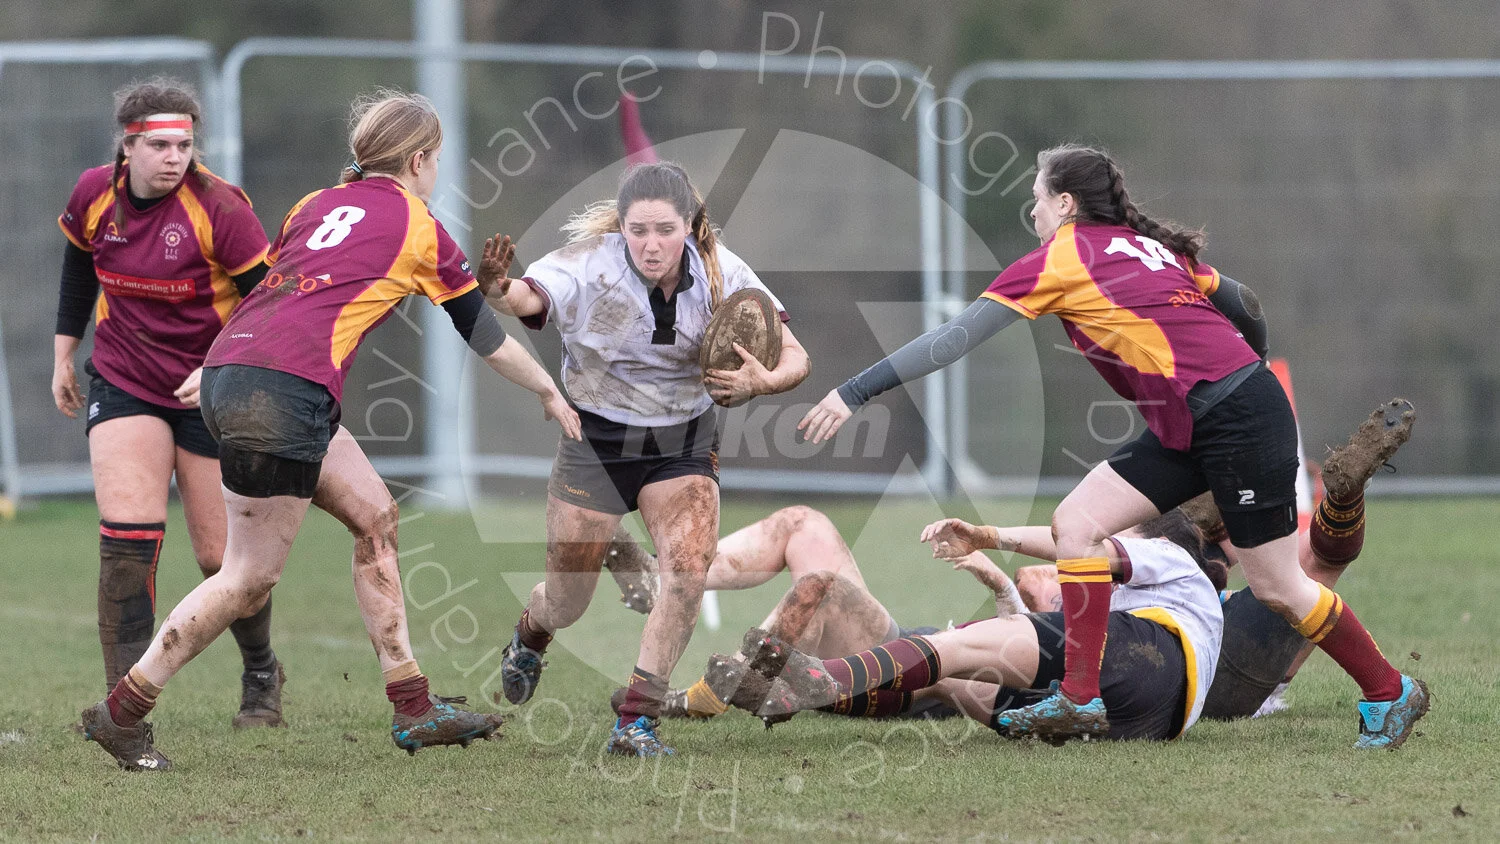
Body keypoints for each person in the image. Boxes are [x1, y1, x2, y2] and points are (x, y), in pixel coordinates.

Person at [799, 144, 1427, 749]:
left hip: (1230, 413)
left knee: (1276, 586)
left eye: (1037, 203)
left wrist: (854, 391)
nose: (1034, 216)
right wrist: (1253, 358)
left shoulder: (1061, 259)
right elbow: (1244, 301)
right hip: (1204, 414)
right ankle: (1080, 698)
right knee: (1076, 524)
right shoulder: (1152, 248)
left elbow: (953, 339)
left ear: (1066, 203)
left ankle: (1388, 690)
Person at [80, 90, 581, 772]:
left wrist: (236, 372)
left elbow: (283, 293)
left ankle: (413, 707)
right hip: (283, 390)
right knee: (247, 575)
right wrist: (550, 389)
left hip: (235, 370)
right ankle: (123, 711)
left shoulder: (311, 205)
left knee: (375, 516)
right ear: (419, 159)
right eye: (436, 159)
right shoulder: (419, 225)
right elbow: (483, 335)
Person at [481, 161, 812, 756]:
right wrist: (498, 290)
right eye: (638, 230)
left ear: (691, 225)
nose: (651, 244)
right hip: (595, 442)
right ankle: (530, 636)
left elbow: (796, 355)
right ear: (621, 226)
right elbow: (527, 297)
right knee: (566, 602)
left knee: (685, 573)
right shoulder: (589, 264)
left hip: (680, 442)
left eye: (665, 229)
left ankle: (635, 722)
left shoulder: (724, 272)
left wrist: (761, 383)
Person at [52, 78, 287, 728]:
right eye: (160, 144)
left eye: (184, 143)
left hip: (211, 391)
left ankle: (262, 670)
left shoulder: (221, 207)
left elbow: (268, 307)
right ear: (127, 146)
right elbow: (77, 268)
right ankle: (121, 710)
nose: (175, 156)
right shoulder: (93, 194)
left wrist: (215, 364)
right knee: (127, 535)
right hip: (125, 377)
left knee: (222, 558)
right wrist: (62, 353)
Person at [728, 508, 1226, 743]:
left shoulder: (1167, 554)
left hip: (1147, 660)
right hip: (1145, 722)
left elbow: (1079, 546)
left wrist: (987, 536)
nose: (1107, 533)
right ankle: (791, 688)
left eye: (1121, 528)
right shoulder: (1186, 603)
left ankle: (821, 679)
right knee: (948, 680)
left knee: (950, 645)